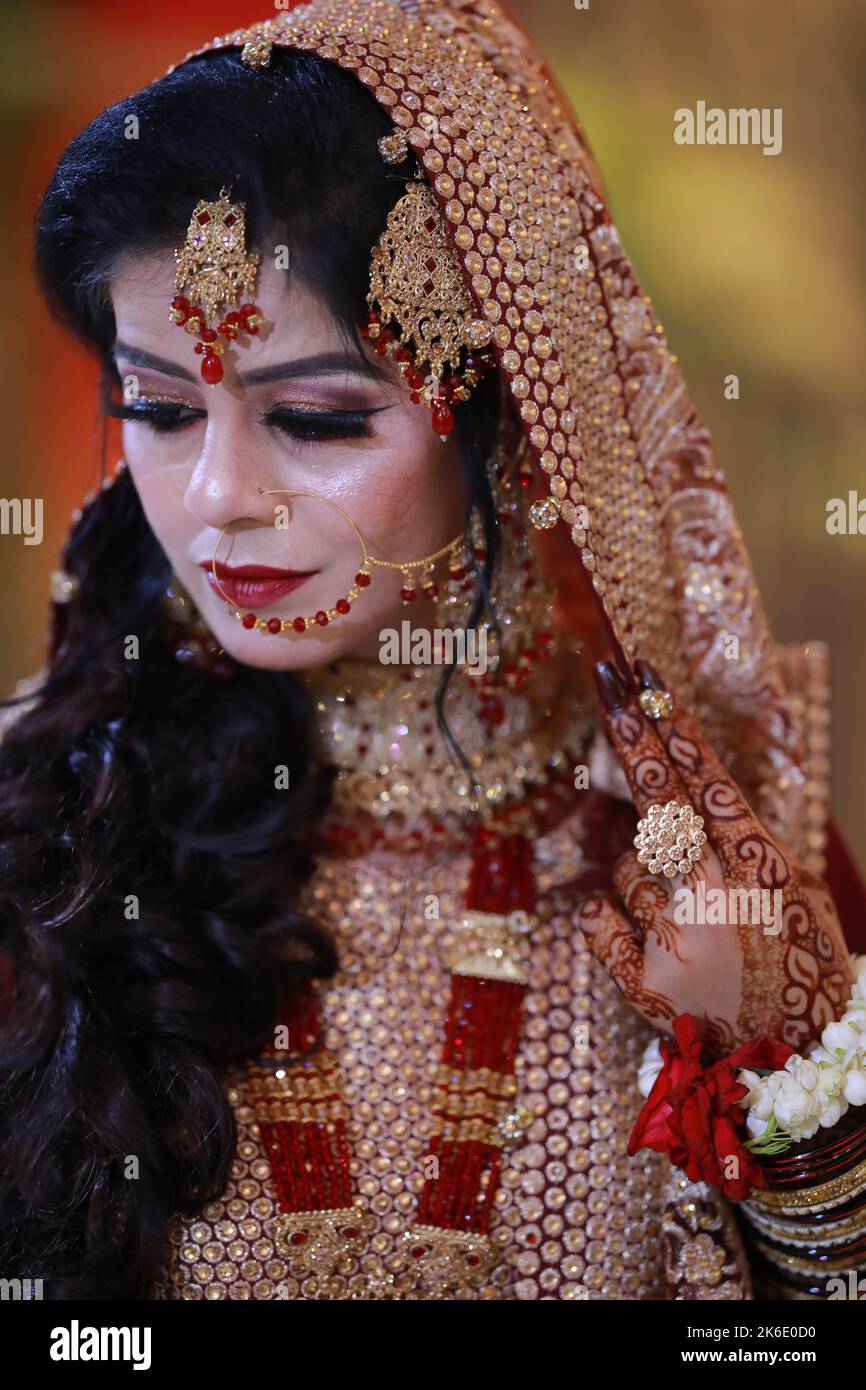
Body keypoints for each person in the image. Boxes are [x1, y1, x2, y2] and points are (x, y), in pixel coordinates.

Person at [1, 0, 865, 1302]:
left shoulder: (707, 839)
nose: (221, 494)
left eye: (313, 417)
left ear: (513, 415)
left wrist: (782, 1061)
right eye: (158, 409)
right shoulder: (48, 828)